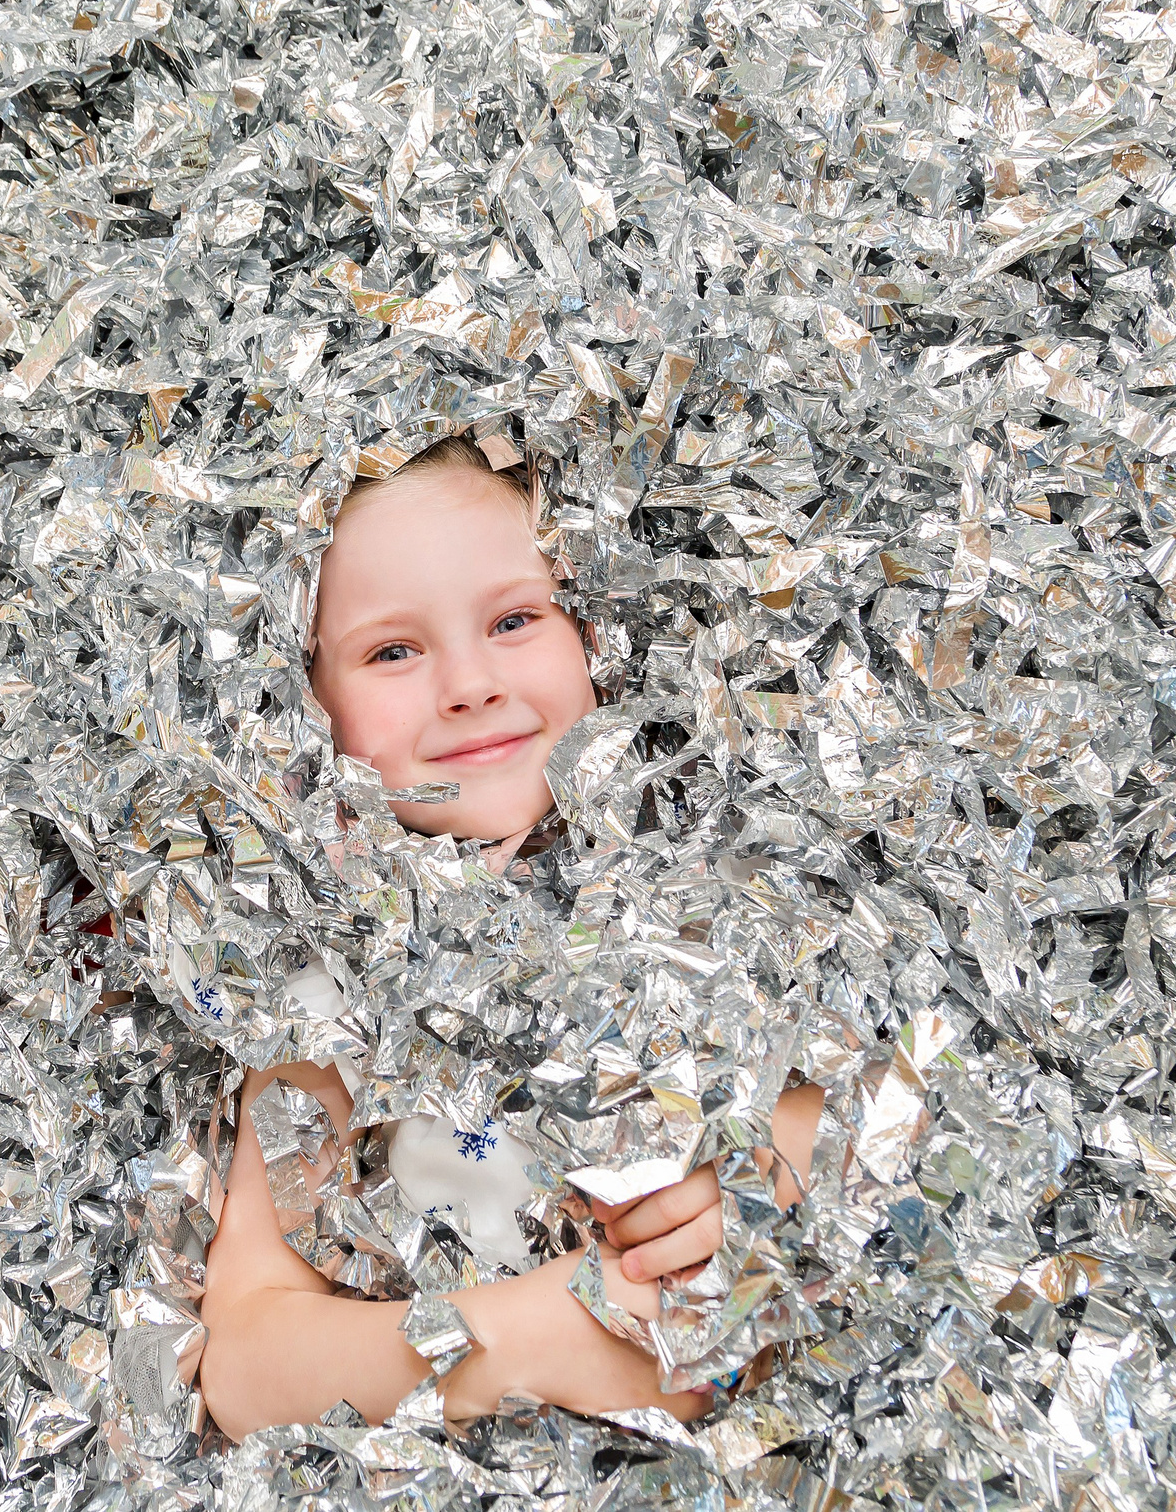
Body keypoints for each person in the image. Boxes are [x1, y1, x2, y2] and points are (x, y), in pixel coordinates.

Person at [193, 435, 824, 1440]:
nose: (470, 682)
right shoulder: (317, 978)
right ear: (305, 702)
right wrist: (508, 1341)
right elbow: (241, 1354)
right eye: (392, 649)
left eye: (515, 619)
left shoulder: (729, 871)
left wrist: (768, 1179)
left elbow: (917, 1109)